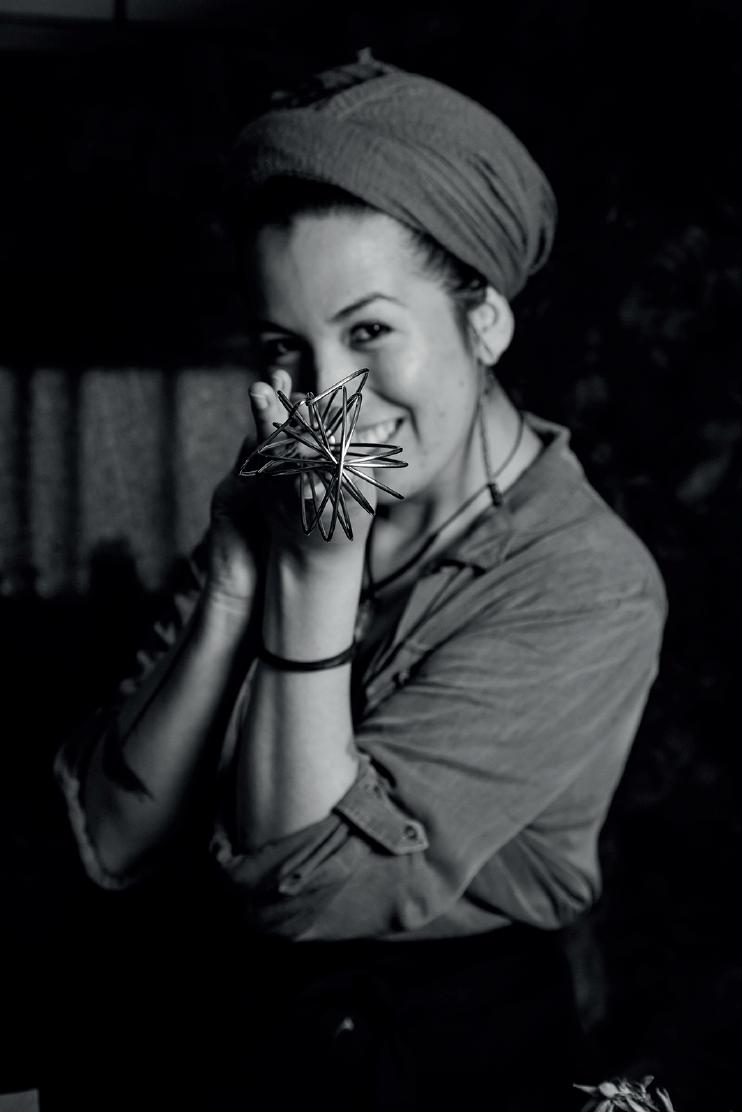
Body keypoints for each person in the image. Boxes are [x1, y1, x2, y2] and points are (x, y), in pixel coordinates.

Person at [50, 54, 666, 1112]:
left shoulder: (586, 585)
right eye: (285, 348)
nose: (328, 400)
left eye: (370, 331)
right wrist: (236, 583)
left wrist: (317, 576)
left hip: (433, 1066)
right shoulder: (286, 493)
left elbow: (300, 888)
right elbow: (109, 839)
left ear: (485, 321)